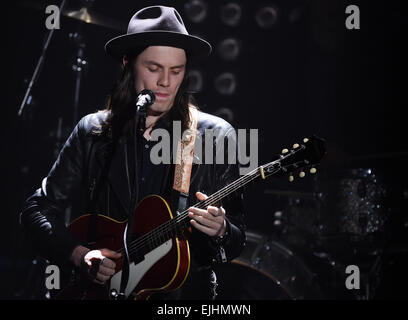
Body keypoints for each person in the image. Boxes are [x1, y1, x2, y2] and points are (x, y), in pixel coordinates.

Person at [19, 5, 246, 300]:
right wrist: (77, 254)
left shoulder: (215, 136)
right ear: (128, 63)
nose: (165, 82)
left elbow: (238, 239)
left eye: (176, 71)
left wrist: (221, 230)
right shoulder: (94, 131)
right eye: (153, 69)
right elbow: (37, 210)